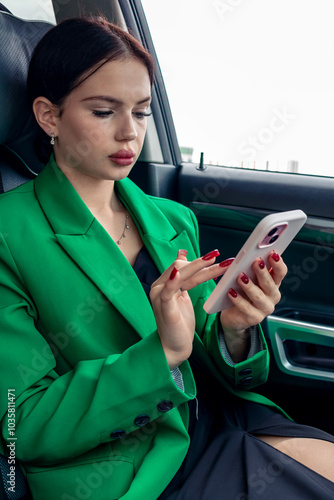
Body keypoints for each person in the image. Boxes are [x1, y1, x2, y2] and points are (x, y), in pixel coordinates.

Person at [0, 16, 333, 500]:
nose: (128, 134)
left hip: (219, 412)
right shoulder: (10, 233)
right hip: (137, 461)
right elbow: (21, 423)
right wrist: (160, 355)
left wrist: (235, 330)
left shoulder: (172, 218)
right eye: (102, 112)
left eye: (140, 112)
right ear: (49, 116)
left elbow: (214, 360)